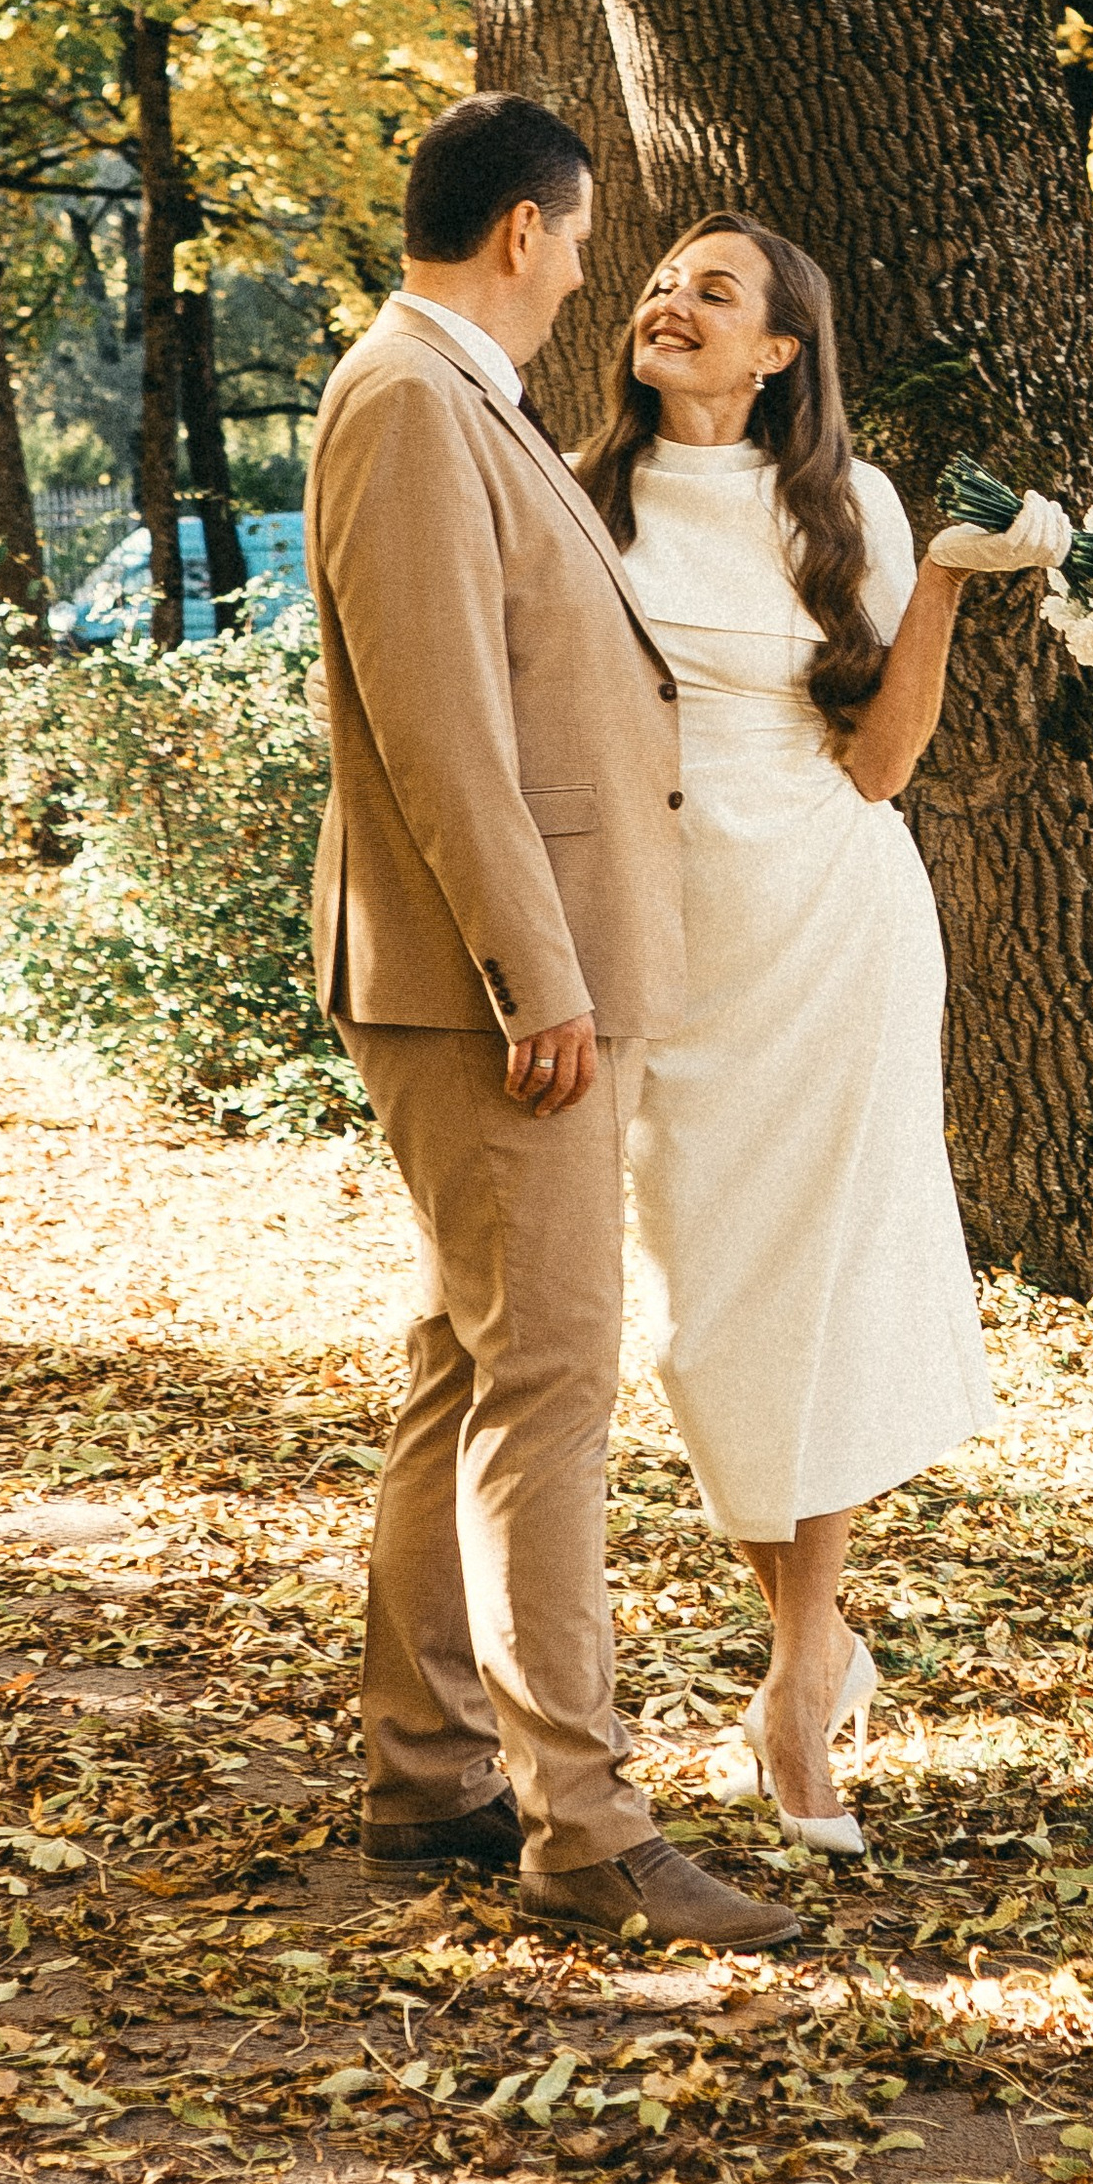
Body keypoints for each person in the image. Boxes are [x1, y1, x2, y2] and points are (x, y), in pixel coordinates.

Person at [304, 96, 797, 1954]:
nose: (594, 269)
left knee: (471, 1364)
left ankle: (429, 1768)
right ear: (525, 230)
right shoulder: (411, 404)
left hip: (503, 983)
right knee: (553, 1389)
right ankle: (584, 1825)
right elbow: (440, 728)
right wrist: (541, 979)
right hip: (488, 994)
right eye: (586, 238)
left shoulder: (452, 400)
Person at [578, 214, 1068, 1854]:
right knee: (709, 1317)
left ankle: (799, 1679)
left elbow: (879, 763)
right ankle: (812, 1651)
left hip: (832, 926)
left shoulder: (839, 506)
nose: (670, 300)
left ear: (781, 348)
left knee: (822, 1293)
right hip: (666, 945)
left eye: (714, 291)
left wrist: (934, 576)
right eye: (660, 281)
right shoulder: (577, 492)